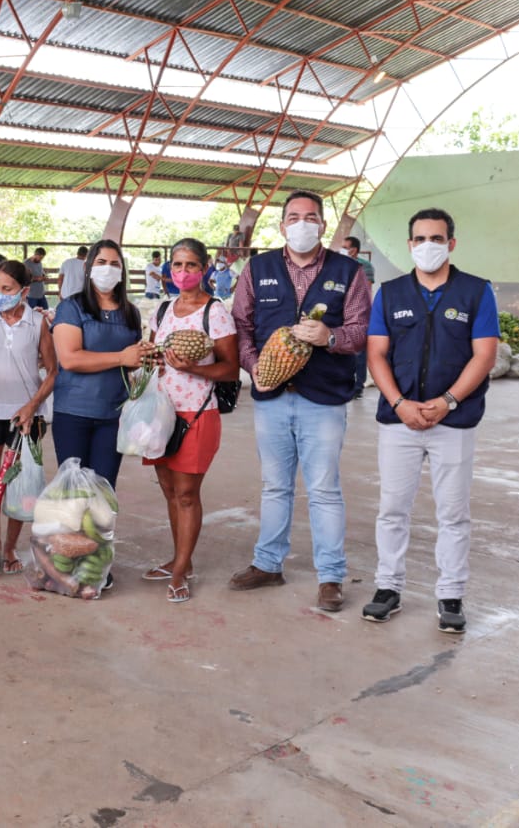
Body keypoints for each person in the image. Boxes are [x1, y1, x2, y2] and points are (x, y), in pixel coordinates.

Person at [228, 190, 371, 612]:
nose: (302, 223)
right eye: (294, 216)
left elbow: (363, 329)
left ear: (323, 225)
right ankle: (268, 564)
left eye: (311, 217)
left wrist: (331, 337)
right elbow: (242, 324)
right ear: (282, 225)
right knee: (275, 486)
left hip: (323, 398)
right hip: (272, 397)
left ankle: (330, 576)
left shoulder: (349, 271)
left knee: (324, 488)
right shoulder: (258, 268)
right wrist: (255, 367)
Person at [362, 208, 499, 635]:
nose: (427, 247)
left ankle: (451, 595)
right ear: (409, 245)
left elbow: (485, 354)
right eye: (419, 239)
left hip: (453, 421)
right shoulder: (390, 292)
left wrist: (448, 402)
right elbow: (376, 354)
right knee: (392, 509)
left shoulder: (477, 292)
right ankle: (388, 588)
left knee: (453, 513)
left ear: (451, 244)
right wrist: (400, 402)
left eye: (436, 239)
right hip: (398, 420)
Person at [143, 238, 239, 602]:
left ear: (205, 269)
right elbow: (155, 353)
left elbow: (231, 369)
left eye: (191, 266)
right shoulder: (164, 310)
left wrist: (195, 369)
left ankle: (182, 570)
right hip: (161, 411)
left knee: (186, 494)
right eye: (178, 265)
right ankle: (179, 558)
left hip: (198, 411)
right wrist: (150, 358)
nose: (183, 273)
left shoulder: (214, 311)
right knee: (169, 491)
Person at [0, 260, 56, 574]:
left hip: (25, 418)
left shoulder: (38, 322)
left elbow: (53, 371)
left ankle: (9, 549)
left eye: (7, 289)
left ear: (25, 291)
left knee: (19, 485)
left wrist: (32, 406)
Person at [52, 239, 153, 489]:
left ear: (122, 271)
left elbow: (131, 362)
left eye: (114, 264)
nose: (108, 269)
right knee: (73, 491)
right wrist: (121, 357)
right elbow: (70, 358)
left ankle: (101, 531)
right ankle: (72, 532)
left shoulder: (130, 311)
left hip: (113, 415)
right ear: (88, 267)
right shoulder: (71, 307)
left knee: (103, 490)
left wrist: (145, 357)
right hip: (74, 413)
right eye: (101, 262)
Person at [342, 236, 374, 399]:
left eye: (345, 247)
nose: (342, 249)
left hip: (360, 311)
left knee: (359, 350)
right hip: (340, 311)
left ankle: (358, 385)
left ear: (353, 249)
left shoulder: (364, 266)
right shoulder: (337, 265)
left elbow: (365, 291)